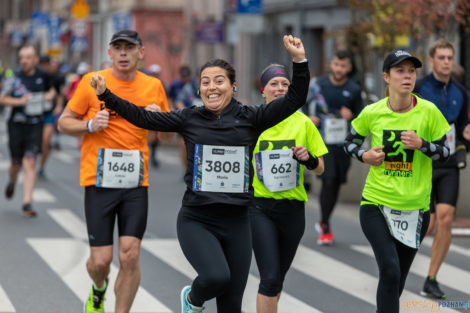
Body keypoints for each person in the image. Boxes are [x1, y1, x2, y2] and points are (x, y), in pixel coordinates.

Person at [90, 35, 309, 313]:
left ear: (233, 86)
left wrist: (299, 61)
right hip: (198, 219)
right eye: (205, 82)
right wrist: (105, 95)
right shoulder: (189, 118)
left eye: (219, 81)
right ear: (200, 89)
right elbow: (143, 118)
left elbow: (294, 99)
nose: (211, 87)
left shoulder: (252, 118)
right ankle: (192, 299)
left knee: (231, 306)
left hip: (238, 222)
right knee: (217, 277)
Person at [57, 29, 169, 313]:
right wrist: (90, 125)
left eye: (129, 48)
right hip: (98, 180)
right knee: (100, 262)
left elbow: (168, 137)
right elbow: (63, 123)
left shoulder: (153, 86)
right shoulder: (92, 82)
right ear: (109, 53)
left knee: (130, 256)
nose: (123, 53)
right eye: (117, 48)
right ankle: (98, 288)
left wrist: (160, 122)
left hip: (135, 182)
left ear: (140, 53)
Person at [344, 49, 450, 313]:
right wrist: (364, 155)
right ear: (386, 77)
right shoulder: (372, 112)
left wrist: (422, 144)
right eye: (400, 71)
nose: (407, 76)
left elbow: (446, 152)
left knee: (396, 281)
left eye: (411, 71)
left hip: (416, 209)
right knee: (389, 271)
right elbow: (349, 143)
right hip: (376, 204)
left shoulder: (429, 112)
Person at [250, 64, 327, 313]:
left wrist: (308, 159)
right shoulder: (253, 120)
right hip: (259, 207)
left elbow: (321, 168)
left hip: (293, 209)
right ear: (263, 91)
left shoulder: (304, 124)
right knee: (269, 279)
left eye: (285, 84)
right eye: (274, 84)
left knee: (277, 280)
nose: (280, 88)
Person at [413, 39, 469, 299]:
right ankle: (398, 264)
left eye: (450, 57)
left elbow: (462, 131)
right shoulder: (419, 87)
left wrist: (465, 138)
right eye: (442, 57)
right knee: (428, 221)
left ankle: (431, 278)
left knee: (445, 218)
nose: (447, 61)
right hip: (421, 162)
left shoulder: (461, 92)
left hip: (447, 165)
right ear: (432, 60)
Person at [306, 50, 363, 245]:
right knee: (329, 180)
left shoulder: (354, 89)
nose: (339, 69)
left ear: (349, 67)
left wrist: (352, 116)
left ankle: (324, 219)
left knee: (336, 182)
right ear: (332, 64)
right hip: (322, 141)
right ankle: (324, 224)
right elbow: (302, 107)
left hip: (343, 143)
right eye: (336, 64)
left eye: (343, 65)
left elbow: (362, 118)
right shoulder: (318, 86)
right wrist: (309, 119)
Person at [0, 44, 55, 217]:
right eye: (21, 57)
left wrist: (49, 97)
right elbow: (2, 98)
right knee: (16, 163)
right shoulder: (14, 78)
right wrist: (20, 102)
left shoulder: (43, 76)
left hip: (35, 124)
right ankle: (11, 181)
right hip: (16, 124)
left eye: (28, 57)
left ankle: (26, 202)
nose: (24, 61)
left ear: (35, 59)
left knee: (30, 161)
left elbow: (52, 91)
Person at [38, 56, 66, 178]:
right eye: (41, 64)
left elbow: (60, 94)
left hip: (49, 113)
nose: (43, 67)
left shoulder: (57, 77)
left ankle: (42, 167)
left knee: (46, 140)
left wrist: (59, 107)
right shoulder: (36, 75)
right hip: (35, 114)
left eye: (46, 64)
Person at [168, 65, 201, 171]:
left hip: (204, 122)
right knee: (183, 144)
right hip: (188, 120)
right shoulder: (189, 87)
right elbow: (178, 100)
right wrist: (186, 111)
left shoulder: (213, 87)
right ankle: (186, 169)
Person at [146, 64, 166, 167]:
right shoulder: (146, 84)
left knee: (156, 137)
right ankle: (149, 155)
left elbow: (166, 99)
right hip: (147, 112)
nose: (155, 75)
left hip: (159, 112)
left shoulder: (162, 85)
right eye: (153, 74)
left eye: (156, 74)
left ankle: (153, 155)